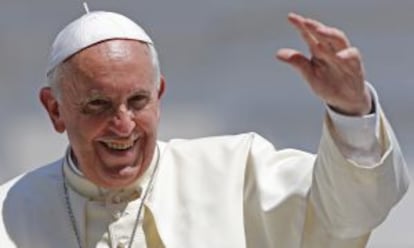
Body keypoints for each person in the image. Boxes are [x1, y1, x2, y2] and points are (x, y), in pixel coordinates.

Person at [0, 10, 409, 248]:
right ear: (55, 110)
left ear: (159, 94)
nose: (123, 124)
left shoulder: (238, 171)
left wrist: (351, 110)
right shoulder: (9, 215)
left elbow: (354, 211)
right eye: (98, 105)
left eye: (138, 101)